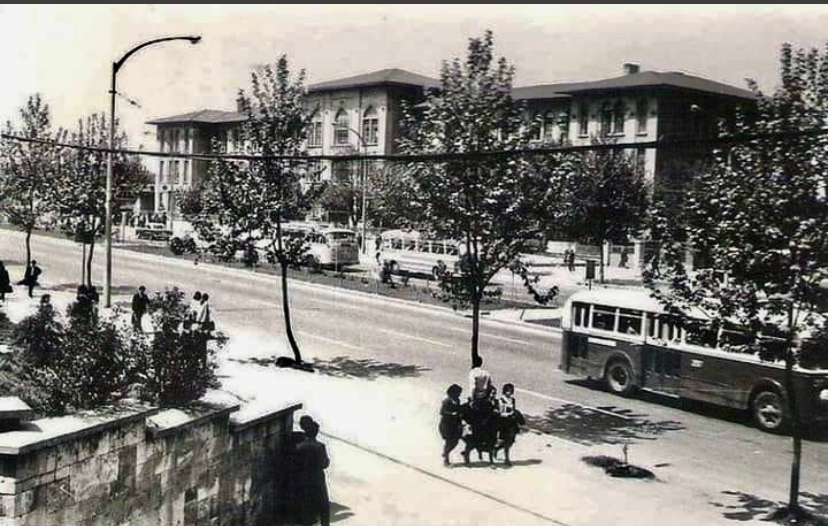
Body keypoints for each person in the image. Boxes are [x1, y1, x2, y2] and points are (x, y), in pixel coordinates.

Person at [296, 416, 330, 526]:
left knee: (306, 507)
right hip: (318, 479)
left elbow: (296, 463)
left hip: (304, 479)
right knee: (324, 507)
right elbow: (325, 464)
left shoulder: (299, 447)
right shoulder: (320, 446)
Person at [439, 384, 464, 467]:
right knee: (449, 442)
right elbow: (442, 412)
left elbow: (459, 409)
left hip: (455, 424)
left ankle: (446, 452)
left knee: (455, 441)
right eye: (458, 392)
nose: (459, 394)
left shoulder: (457, 400)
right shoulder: (447, 401)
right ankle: (446, 460)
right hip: (446, 425)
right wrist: (451, 414)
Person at [497, 383, 521, 467]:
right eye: (507, 391)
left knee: (511, 441)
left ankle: (497, 449)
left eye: (511, 391)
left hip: (512, 422)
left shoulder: (512, 400)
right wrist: (509, 414)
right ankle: (507, 459)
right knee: (507, 441)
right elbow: (501, 413)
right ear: (504, 391)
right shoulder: (501, 400)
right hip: (505, 423)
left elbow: (514, 409)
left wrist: (514, 414)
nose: (509, 393)